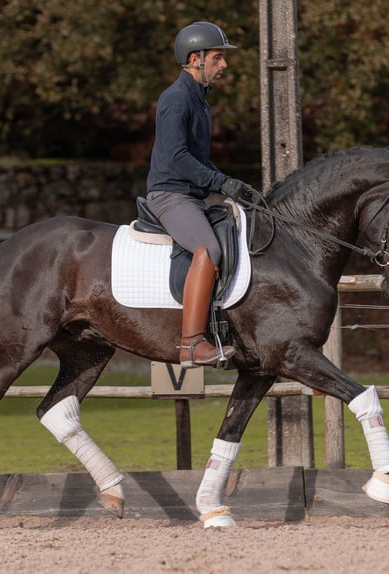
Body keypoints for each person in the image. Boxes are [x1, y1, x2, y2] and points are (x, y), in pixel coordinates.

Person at [146, 21, 254, 368]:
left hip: (193, 195)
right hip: (170, 195)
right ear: (196, 58)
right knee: (209, 249)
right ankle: (191, 342)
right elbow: (177, 157)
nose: (224, 66)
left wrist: (229, 186)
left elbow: (199, 160)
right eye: (218, 58)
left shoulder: (199, 101)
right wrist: (221, 182)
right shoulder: (176, 99)